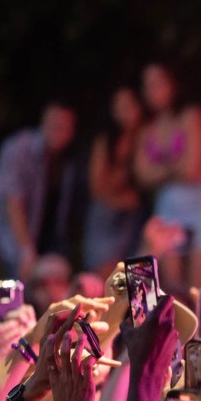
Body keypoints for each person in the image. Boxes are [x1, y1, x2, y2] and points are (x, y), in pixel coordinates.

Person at [132, 62, 201, 298]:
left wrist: (160, 170)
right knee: (169, 291)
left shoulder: (192, 115)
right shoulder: (147, 128)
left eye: (158, 83)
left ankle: (199, 327)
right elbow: (142, 175)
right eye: (146, 85)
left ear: (173, 84)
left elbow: (192, 169)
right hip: (169, 209)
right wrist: (176, 167)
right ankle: (165, 324)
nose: (151, 91)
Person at [0, 99, 81, 280]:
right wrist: (26, 249)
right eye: (54, 124)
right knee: (14, 286)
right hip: (8, 240)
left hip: (47, 241)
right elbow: (12, 201)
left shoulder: (69, 161)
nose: (58, 131)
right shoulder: (18, 148)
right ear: (43, 122)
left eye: (64, 127)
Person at [84, 86, 148, 278]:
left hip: (137, 219)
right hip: (108, 218)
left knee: (138, 278)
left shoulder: (148, 135)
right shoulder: (106, 141)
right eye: (119, 107)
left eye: (129, 106)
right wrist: (124, 161)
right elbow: (97, 187)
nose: (124, 113)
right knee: (109, 278)